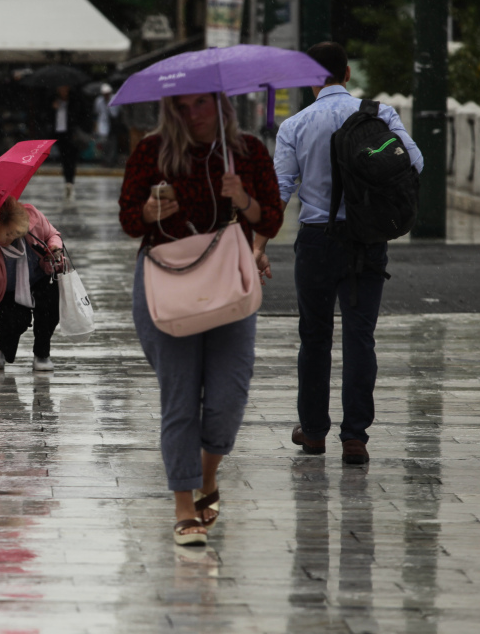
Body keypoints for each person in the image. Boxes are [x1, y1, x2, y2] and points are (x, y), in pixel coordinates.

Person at [119, 92, 282, 545]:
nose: (192, 114)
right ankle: (183, 505)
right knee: (180, 396)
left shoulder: (246, 150)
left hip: (228, 279)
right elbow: (129, 219)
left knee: (228, 395)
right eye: (182, 106)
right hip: (166, 282)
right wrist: (148, 212)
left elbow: (271, 214)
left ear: (220, 104)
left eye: (200, 104)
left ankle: (208, 473)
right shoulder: (152, 151)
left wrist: (242, 198)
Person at [273, 41, 423, 465]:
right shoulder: (378, 115)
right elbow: (416, 162)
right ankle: (355, 436)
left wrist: (256, 243)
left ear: (308, 79)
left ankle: (315, 432)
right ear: (347, 74)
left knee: (315, 338)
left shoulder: (295, 125)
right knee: (360, 337)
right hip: (367, 239)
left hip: (317, 239)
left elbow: (280, 192)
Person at [0, 197, 64, 373]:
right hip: (8, 290)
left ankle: (42, 354)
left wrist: (54, 248)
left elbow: (53, 235)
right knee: (14, 320)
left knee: (49, 309)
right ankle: (0, 348)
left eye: (13, 233)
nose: (9, 238)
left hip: (41, 278)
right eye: (4, 235)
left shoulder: (33, 218)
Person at [51, 85, 80, 199]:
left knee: (72, 158)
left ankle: (70, 181)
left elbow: (78, 117)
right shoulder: (54, 102)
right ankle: (67, 181)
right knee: (64, 158)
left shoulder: (73, 102)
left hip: (71, 134)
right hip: (59, 133)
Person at [93, 83, 119, 166]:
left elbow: (115, 113)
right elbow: (97, 113)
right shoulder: (99, 101)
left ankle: (111, 160)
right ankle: (104, 159)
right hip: (103, 124)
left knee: (112, 143)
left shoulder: (114, 99)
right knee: (104, 143)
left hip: (113, 124)